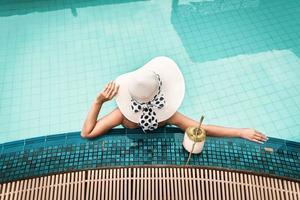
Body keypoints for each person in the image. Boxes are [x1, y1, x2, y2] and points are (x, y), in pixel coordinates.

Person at [81, 57, 268, 144]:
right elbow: (202, 129)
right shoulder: (168, 114)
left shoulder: (120, 115)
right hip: (163, 144)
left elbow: (87, 133)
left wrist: (98, 102)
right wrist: (239, 132)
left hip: (130, 144)